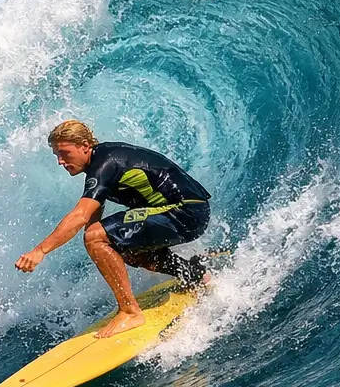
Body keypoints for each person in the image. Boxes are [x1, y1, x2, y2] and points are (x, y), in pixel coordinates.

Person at [15, 120, 212, 339]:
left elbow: (80, 216)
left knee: (96, 237)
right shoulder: (101, 162)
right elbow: (91, 213)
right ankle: (194, 275)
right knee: (121, 248)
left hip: (183, 211)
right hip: (189, 211)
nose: (61, 161)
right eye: (56, 156)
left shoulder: (105, 163)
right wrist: (100, 245)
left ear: (84, 146)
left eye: (65, 153)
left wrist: (40, 251)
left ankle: (130, 312)